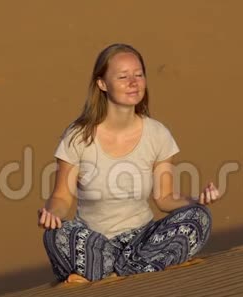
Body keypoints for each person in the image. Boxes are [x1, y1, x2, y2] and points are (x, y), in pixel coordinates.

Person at [37, 43, 219, 284]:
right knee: (55, 235)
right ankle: (135, 267)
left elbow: (164, 197)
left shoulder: (157, 134)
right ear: (102, 84)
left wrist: (195, 200)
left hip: (143, 239)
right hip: (94, 241)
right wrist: (53, 214)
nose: (133, 82)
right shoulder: (78, 136)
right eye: (123, 77)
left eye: (139, 75)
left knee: (199, 217)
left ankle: (114, 270)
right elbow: (62, 197)